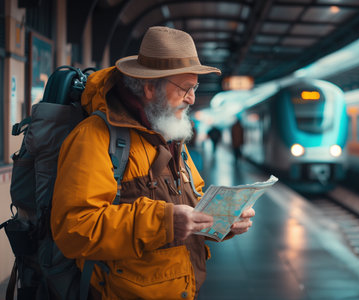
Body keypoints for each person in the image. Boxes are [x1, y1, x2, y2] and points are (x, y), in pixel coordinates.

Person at [51, 26, 255, 300]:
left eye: (194, 87)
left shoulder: (169, 132)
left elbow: (193, 201)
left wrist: (223, 220)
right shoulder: (94, 137)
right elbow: (74, 229)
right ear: (149, 87)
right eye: (185, 88)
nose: (192, 98)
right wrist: (163, 222)